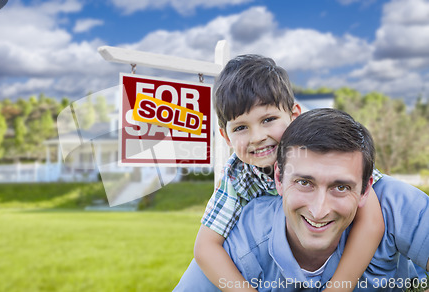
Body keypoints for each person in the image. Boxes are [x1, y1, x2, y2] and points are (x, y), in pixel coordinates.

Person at [174, 108, 429, 291]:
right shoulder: (245, 236)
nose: (319, 211)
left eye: (340, 187)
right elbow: (206, 248)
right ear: (278, 178)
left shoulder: (393, 202)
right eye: (304, 183)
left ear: (365, 189)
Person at [193, 55, 384, 291]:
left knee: (393, 198)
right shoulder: (237, 175)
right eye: (241, 127)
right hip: (278, 269)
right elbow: (205, 247)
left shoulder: (323, 147)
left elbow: (372, 222)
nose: (257, 137)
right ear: (226, 137)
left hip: (341, 261)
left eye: (268, 119)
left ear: (293, 115)